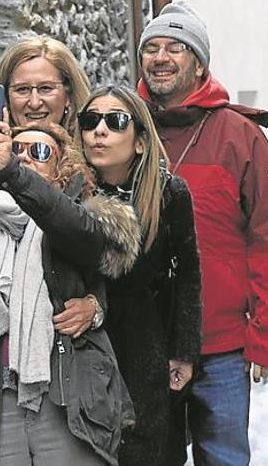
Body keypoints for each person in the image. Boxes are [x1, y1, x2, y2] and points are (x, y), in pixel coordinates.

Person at [0, 117, 141, 465]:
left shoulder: (80, 217)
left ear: (61, 170)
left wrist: (14, 174)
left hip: (64, 396)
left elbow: (78, 235)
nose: (23, 158)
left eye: (38, 151)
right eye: (15, 150)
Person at [137, 1, 268, 466]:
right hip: (146, 340)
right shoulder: (121, 127)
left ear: (199, 63)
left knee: (224, 459)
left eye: (176, 47)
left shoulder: (239, 134)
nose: (161, 57)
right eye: (151, 48)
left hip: (221, 345)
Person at [75, 85, 202, 465]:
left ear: (141, 142)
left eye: (115, 122)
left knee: (148, 448)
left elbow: (188, 278)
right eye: (90, 120)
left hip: (146, 337)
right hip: (86, 337)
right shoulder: (68, 194)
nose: (100, 131)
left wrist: (184, 351)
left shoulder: (168, 194)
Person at [0, 35, 90, 135]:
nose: (34, 103)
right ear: (6, 97)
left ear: (69, 95)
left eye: (45, 88)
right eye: (22, 89)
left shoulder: (94, 148)